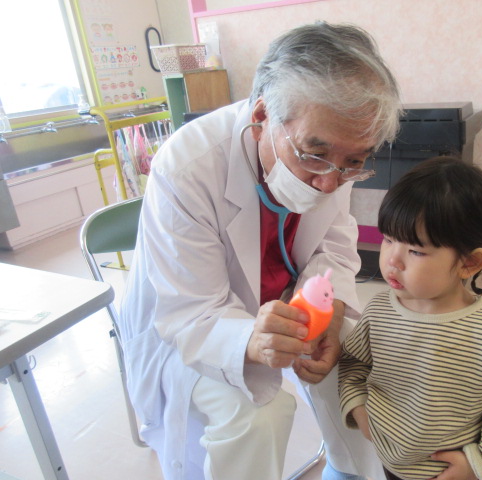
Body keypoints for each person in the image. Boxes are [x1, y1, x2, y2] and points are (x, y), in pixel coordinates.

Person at [118, 21, 403, 480]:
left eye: (354, 162)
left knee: (364, 363)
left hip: (284, 307)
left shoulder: (334, 154)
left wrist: (330, 314)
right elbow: (192, 311)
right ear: (261, 116)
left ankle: (350, 472)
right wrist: (249, 339)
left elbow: (333, 245)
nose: (329, 183)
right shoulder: (188, 166)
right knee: (259, 417)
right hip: (191, 330)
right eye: (314, 155)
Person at [338, 157, 482, 480]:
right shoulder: (379, 311)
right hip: (389, 464)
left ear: (469, 263)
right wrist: (358, 406)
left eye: (416, 251)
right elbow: (353, 363)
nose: (392, 260)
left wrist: (477, 465)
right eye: (388, 239)